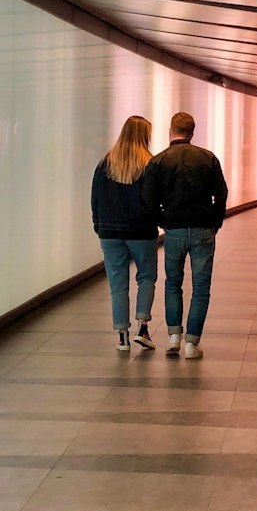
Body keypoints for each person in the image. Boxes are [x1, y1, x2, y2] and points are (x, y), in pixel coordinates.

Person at [139, 111, 228, 360]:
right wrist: (215, 222)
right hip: (202, 229)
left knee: (173, 282)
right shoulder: (208, 158)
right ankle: (192, 343)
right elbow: (221, 193)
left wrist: (162, 220)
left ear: (171, 131)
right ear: (192, 132)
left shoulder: (158, 162)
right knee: (201, 287)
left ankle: (173, 337)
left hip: (174, 230)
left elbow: (147, 198)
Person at [92, 115, 159, 354]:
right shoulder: (150, 164)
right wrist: (157, 220)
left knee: (117, 284)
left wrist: (98, 225)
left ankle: (122, 336)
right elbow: (154, 200)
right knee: (146, 277)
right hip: (142, 231)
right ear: (145, 136)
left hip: (110, 232)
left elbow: (95, 197)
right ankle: (142, 327)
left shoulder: (105, 163)